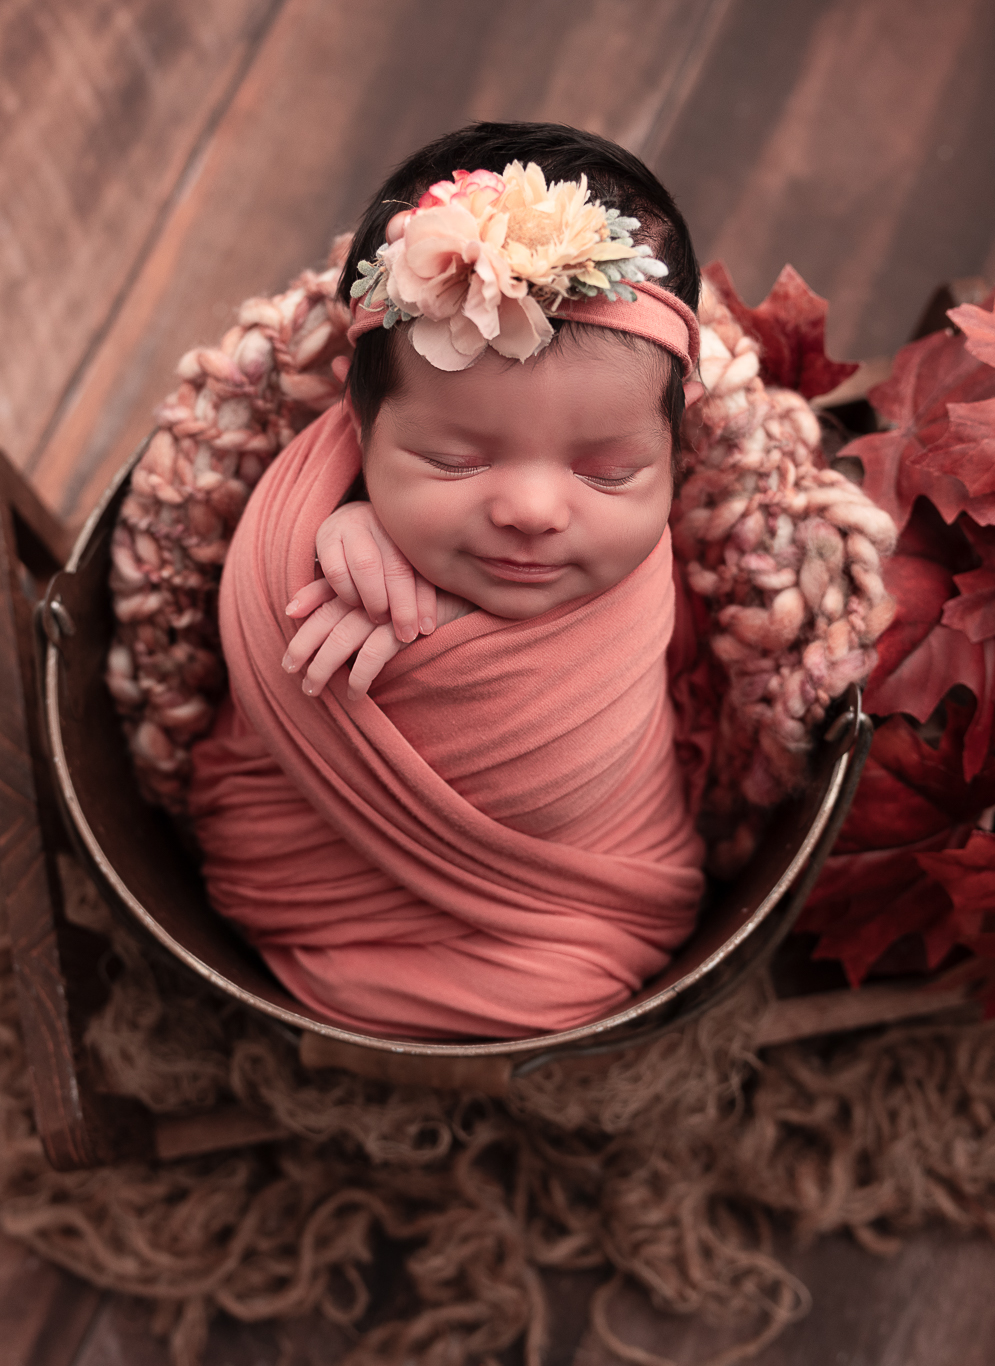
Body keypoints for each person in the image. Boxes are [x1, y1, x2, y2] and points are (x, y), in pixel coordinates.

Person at [187, 123, 714, 1040]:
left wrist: (428, 540)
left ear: (677, 451)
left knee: (568, 995)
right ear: (358, 424)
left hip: (578, 901)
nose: (534, 511)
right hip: (313, 877)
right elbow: (263, 651)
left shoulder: (656, 558)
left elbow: (694, 669)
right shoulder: (317, 515)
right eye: (453, 460)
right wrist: (343, 521)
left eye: (608, 473)